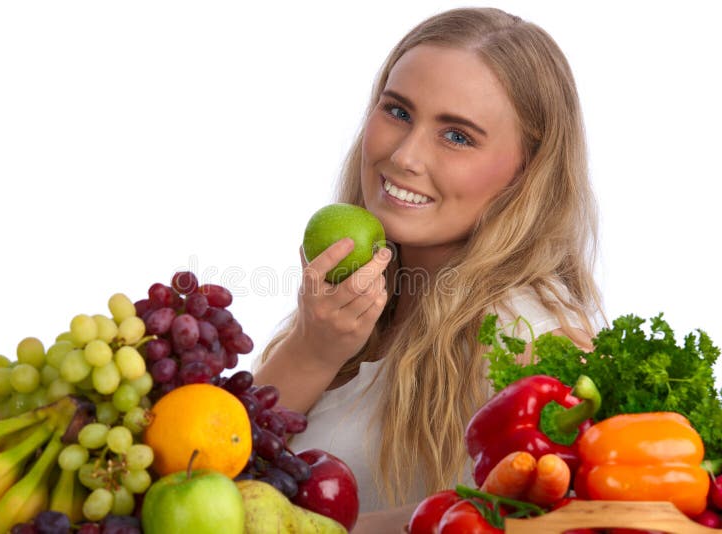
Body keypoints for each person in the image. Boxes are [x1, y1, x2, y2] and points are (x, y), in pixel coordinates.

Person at [253, 7, 603, 532]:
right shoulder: (356, 311)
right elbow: (217, 470)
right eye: (397, 111)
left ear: (527, 171)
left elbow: (533, 521)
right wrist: (312, 349)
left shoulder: (534, 340)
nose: (405, 156)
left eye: (457, 136)